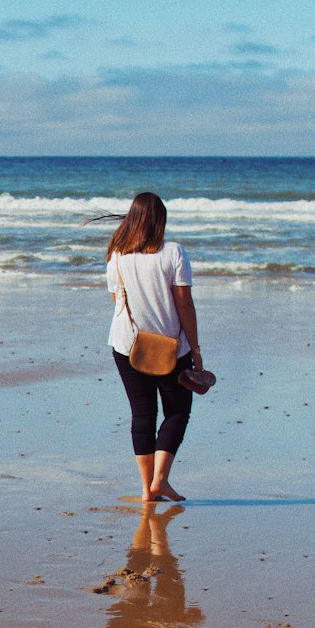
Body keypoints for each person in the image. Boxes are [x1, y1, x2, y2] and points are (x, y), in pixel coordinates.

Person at [104, 190, 204, 502]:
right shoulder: (173, 252)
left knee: (142, 414)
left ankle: (148, 489)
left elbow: (116, 301)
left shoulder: (116, 256)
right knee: (177, 411)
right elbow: (184, 303)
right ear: (160, 220)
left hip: (126, 345)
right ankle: (161, 479)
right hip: (171, 348)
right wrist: (196, 350)